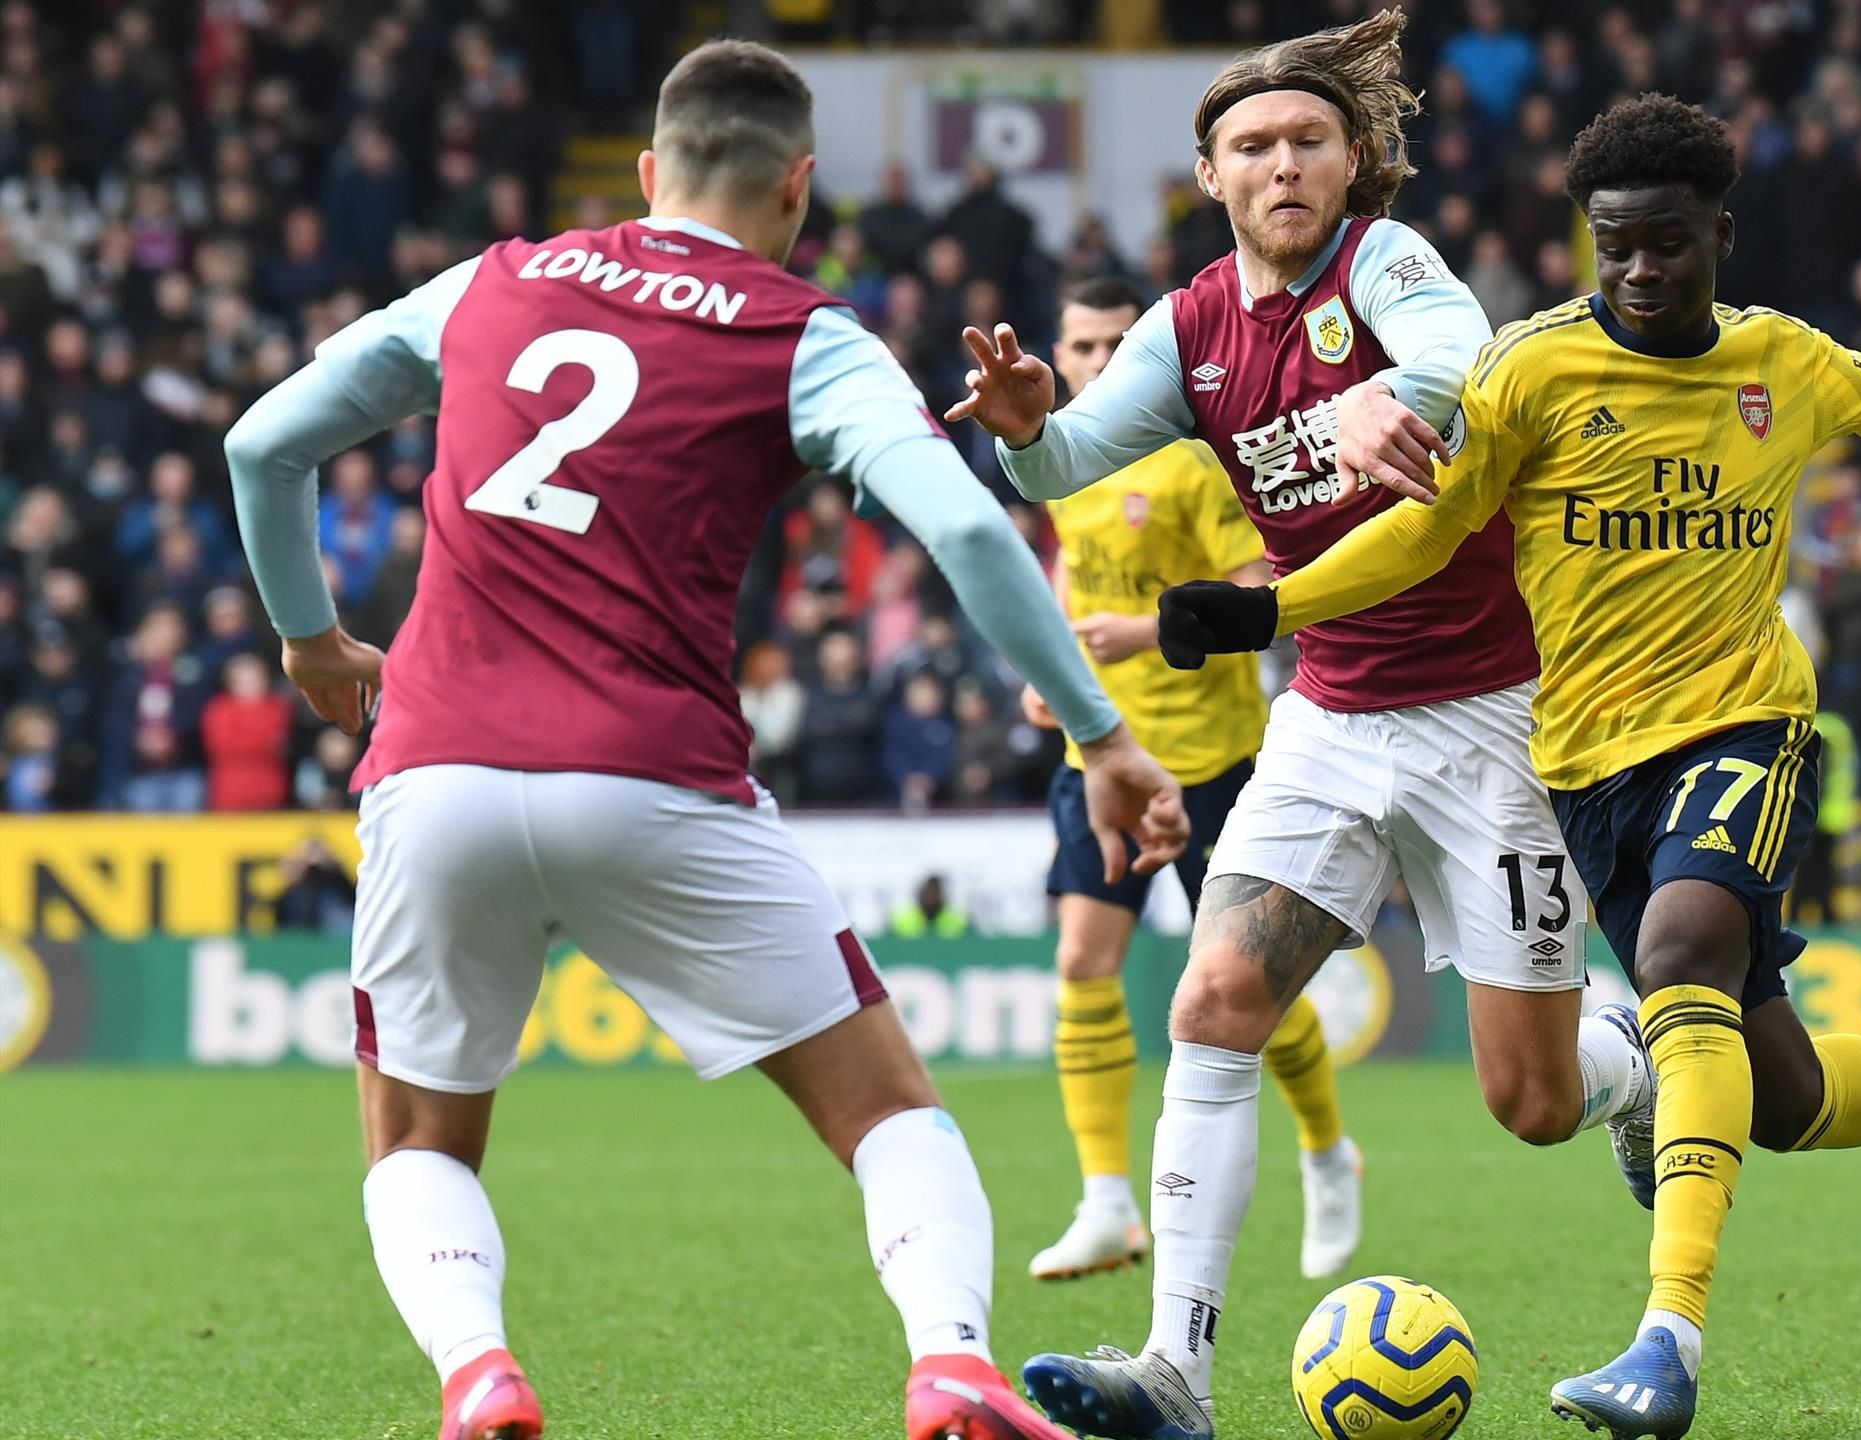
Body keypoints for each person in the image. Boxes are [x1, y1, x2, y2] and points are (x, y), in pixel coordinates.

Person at [222, 41, 1184, 1440]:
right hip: (653, 778)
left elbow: (262, 446)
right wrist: (1099, 736)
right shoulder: (806, 332)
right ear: (798, 188)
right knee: (888, 1115)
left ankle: (478, 1372)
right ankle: (951, 1364)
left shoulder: (491, 281)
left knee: (422, 1138)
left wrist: (311, 641)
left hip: (434, 772)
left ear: (646, 171)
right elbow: (974, 532)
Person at [1156, 95, 1861, 1439]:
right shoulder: (1527, 371)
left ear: (1719, 236)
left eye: (1667, 243)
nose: (1638, 270)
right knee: (1780, 1095)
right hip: (1584, 763)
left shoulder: (1778, 360)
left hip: (1744, 727)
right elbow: (1425, 532)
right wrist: (1274, 608)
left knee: (1679, 957)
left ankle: (1664, 1343)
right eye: (1612, 245)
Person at [950, 15, 1658, 1439]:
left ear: (1351, 163)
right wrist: (1026, 426)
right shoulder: (1189, 326)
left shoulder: (1383, 265)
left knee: (1530, 1103)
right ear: (1209, 174)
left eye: (1308, 142)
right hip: (1328, 715)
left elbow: (1462, 352)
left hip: (1491, 719)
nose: (1282, 165)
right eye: (1254, 146)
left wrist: (1386, 397)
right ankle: (1176, 1372)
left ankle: (1627, 1060)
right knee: (1213, 1002)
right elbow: (1067, 462)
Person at [1016, 276, 1360, 1285]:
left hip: (1208, 761)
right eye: (1081, 345)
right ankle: (1105, 1204)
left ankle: (1328, 1150)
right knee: (1083, 960)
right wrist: (1057, 670)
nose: (1095, 361)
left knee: (1247, 982)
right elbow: (1073, 571)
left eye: (1113, 344)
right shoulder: (1062, 460)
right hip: (1102, 752)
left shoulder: (1191, 460)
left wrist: (1143, 630)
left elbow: (1256, 586)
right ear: (1060, 355)